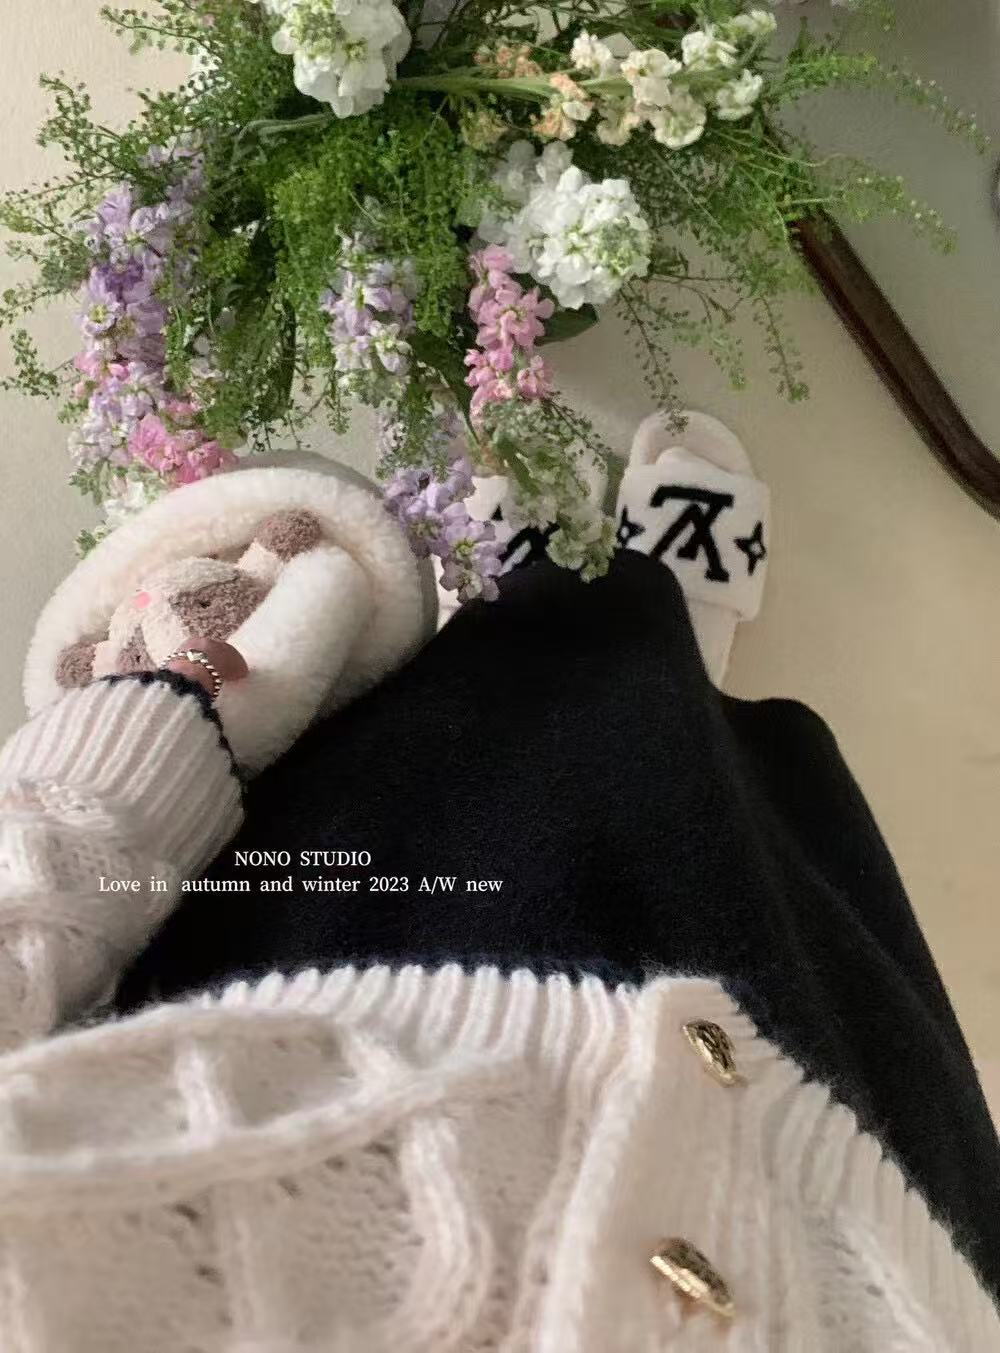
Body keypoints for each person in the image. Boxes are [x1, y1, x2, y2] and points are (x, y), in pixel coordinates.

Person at [0, 413, 998, 1352]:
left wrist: (155, 727)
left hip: (319, 1047)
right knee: (724, 830)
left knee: (462, 759)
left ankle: (571, 633)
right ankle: (647, 633)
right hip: (867, 1245)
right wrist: (156, 723)